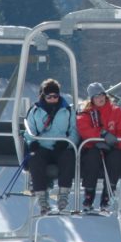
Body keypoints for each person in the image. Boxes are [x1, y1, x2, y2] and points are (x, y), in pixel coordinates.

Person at [24, 78, 78, 215]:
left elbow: (75, 130)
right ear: (43, 96)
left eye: (56, 96)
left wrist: (68, 142)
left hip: (61, 146)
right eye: (49, 96)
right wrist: (32, 143)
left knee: (68, 157)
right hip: (42, 146)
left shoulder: (68, 110)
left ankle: (64, 193)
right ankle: (42, 197)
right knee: (35, 160)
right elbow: (29, 130)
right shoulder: (35, 111)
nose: (53, 99)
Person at [75, 82, 121, 212]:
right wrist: (101, 135)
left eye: (102, 94)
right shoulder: (87, 113)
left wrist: (115, 142)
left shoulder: (116, 112)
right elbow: (84, 129)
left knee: (116, 158)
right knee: (92, 157)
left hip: (112, 148)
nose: (100, 98)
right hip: (94, 147)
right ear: (91, 99)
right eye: (96, 96)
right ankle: (89, 194)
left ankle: (108, 194)